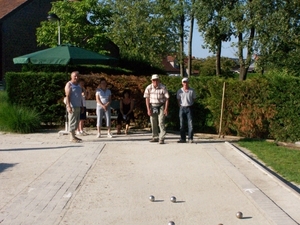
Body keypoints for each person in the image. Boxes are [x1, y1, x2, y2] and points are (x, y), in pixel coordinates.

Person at [143, 74, 169, 144]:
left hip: (161, 105)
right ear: (151, 80)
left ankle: (162, 138)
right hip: (153, 105)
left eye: (156, 80)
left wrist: (166, 108)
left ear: (159, 80)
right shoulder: (148, 87)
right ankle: (155, 137)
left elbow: (167, 98)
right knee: (153, 121)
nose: (155, 81)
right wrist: (148, 109)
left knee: (161, 122)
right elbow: (147, 99)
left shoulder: (163, 87)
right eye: (154, 80)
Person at [64, 71, 83, 143]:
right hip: (72, 106)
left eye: (77, 76)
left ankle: (74, 135)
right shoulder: (69, 84)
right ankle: (71, 137)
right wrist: (69, 106)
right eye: (75, 76)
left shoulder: (78, 85)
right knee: (72, 121)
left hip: (78, 105)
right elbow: (67, 96)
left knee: (77, 121)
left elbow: (80, 96)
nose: (76, 77)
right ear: (71, 76)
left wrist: (81, 106)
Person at [176, 77, 196, 143]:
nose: (185, 83)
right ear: (182, 83)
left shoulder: (192, 90)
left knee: (190, 124)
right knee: (182, 124)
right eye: (184, 82)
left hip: (189, 108)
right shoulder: (179, 91)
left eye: (186, 82)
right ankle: (183, 138)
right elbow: (178, 100)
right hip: (182, 108)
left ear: (188, 82)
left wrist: (190, 104)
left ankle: (190, 138)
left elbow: (194, 99)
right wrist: (180, 106)